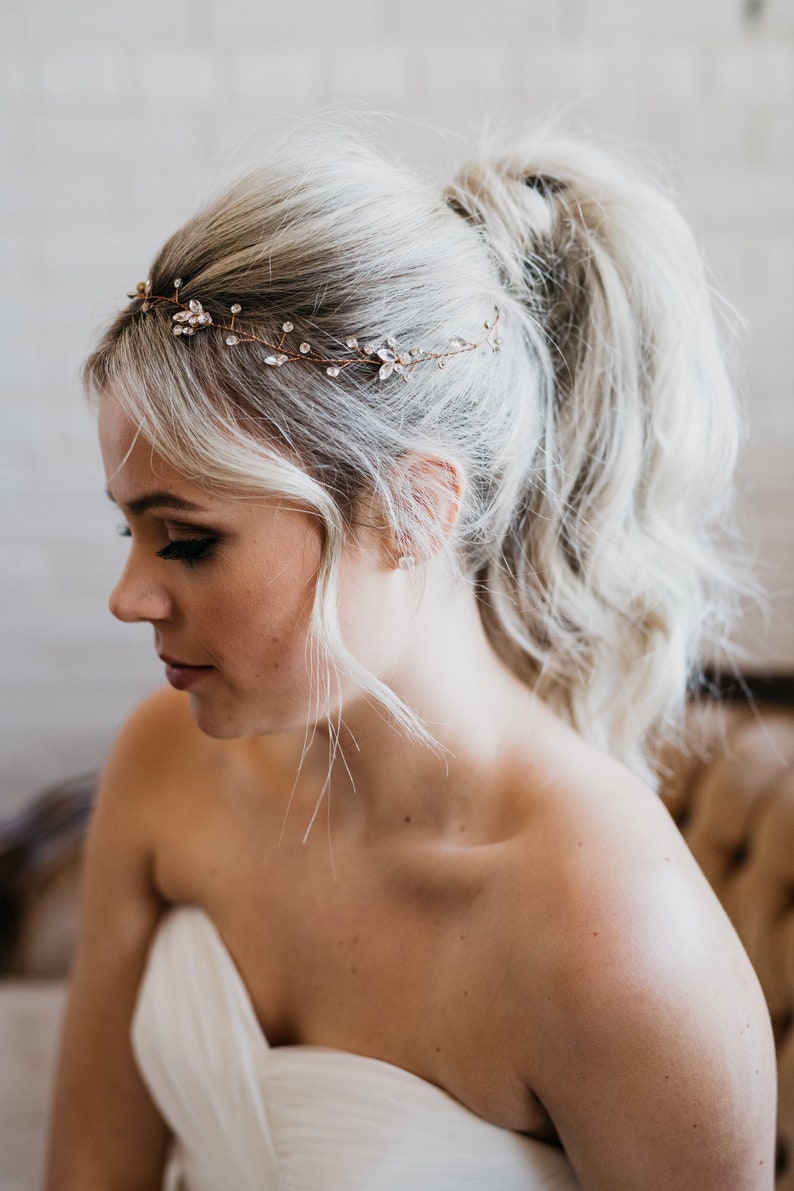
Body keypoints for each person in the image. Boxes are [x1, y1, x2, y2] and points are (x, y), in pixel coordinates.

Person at [45, 129, 776, 1190]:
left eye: (189, 540)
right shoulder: (164, 765)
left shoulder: (615, 939)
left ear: (410, 507)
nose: (131, 596)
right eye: (131, 532)